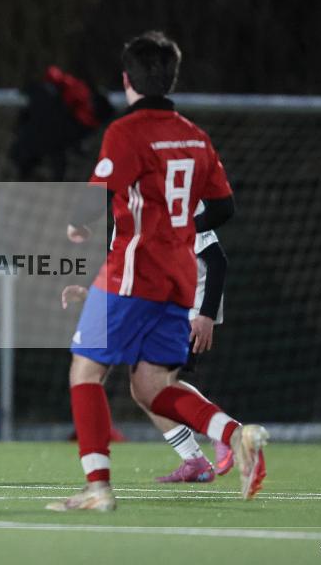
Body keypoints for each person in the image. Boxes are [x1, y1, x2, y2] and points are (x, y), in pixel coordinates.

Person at [47, 31, 267, 513]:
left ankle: (98, 488)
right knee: (151, 387)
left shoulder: (127, 131)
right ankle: (235, 433)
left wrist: (77, 225)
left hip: (133, 272)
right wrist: (182, 228)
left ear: (127, 79)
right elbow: (224, 206)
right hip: (178, 280)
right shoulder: (195, 134)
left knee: (85, 372)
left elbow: (102, 191)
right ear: (171, 77)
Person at [61, 204, 233, 483]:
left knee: (152, 384)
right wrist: (93, 295)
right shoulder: (127, 204)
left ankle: (224, 432)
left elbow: (216, 259)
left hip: (183, 305)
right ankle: (196, 459)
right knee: (144, 388)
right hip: (151, 303)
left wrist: (206, 315)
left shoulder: (166, 193)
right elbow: (125, 270)